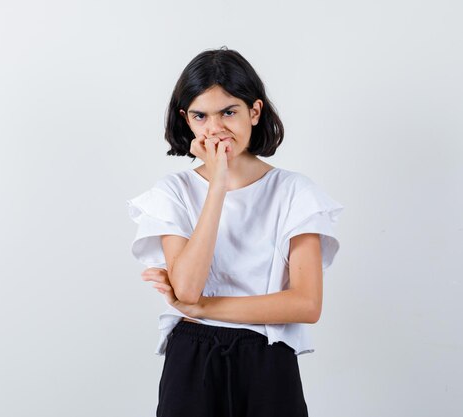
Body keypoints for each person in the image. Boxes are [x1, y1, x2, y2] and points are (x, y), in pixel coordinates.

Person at [125, 47, 344, 417]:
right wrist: (217, 185)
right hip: (192, 358)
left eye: (229, 112)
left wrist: (203, 308)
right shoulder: (172, 192)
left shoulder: (295, 192)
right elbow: (188, 288)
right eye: (200, 115)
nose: (215, 128)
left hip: (267, 357)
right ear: (187, 120)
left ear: (254, 112)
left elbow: (306, 304)